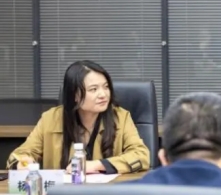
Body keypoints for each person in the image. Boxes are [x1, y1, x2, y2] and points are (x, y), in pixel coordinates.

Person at [7, 60, 150, 174]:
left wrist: (97, 165)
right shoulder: (51, 119)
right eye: (94, 89)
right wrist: (22, 163)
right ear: (75, 95)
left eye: (106, 87)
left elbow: (141, 155)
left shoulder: (120, 117)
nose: (103, 94)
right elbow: (19, 155)